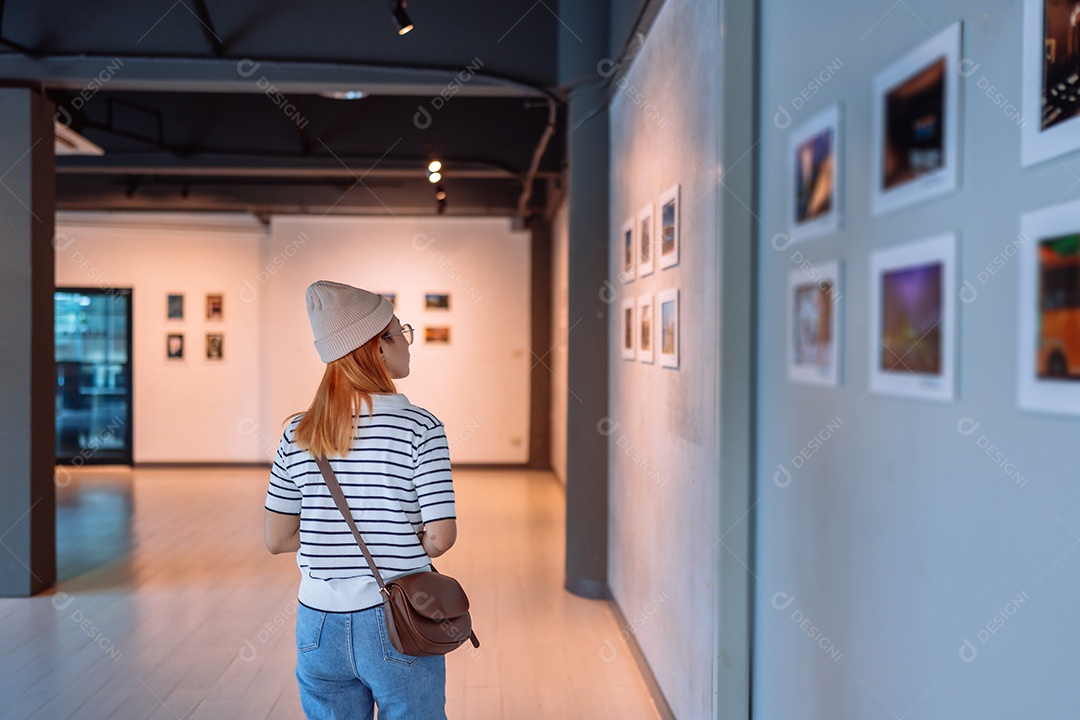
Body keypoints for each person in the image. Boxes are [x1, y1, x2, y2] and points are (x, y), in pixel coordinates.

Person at [263, 280, 457, 720]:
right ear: (378, 347)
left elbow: (277, 538)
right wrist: (395, 541)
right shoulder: (420, 428)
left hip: (316, 623)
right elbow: (442, 537)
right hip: (397, 620)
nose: (407, 342)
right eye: (400, 331)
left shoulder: (297, 433)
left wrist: (333, 541)